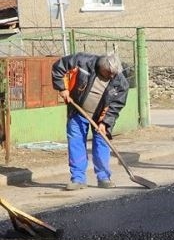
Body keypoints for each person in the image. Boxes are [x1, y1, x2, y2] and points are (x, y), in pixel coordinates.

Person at [51, 52, 129, 190]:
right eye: (109, 72)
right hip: (78, 111)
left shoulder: (120, 81)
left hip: (101, 117)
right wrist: (62, 88)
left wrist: (106, 123)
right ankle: (78, 179)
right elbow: (58, 67)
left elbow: (116, 105)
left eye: (114, 73)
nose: (112, 76)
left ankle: (104, 178)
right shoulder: (83, 62)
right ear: (101, 66)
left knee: (102, 143)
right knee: (76, 142)